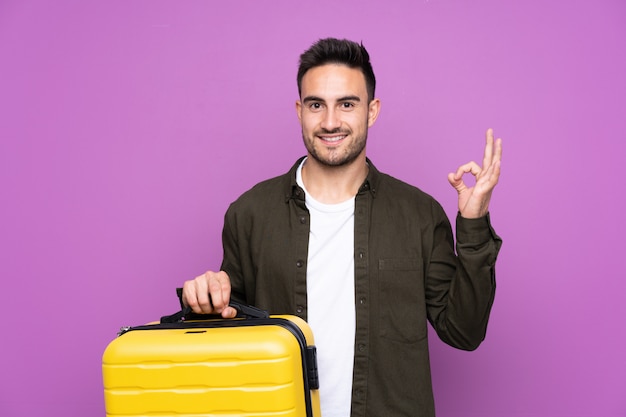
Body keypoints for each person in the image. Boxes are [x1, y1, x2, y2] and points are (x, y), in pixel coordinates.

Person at [182, 38, 503, 417]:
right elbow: (229, 334)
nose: (330, 121)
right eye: (316, 105)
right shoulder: (250, 214)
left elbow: (464, 332)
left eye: (347, 104)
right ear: (300, 111)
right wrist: (202, 302)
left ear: (372, 111)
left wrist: (473, 223)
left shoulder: (420, 214)